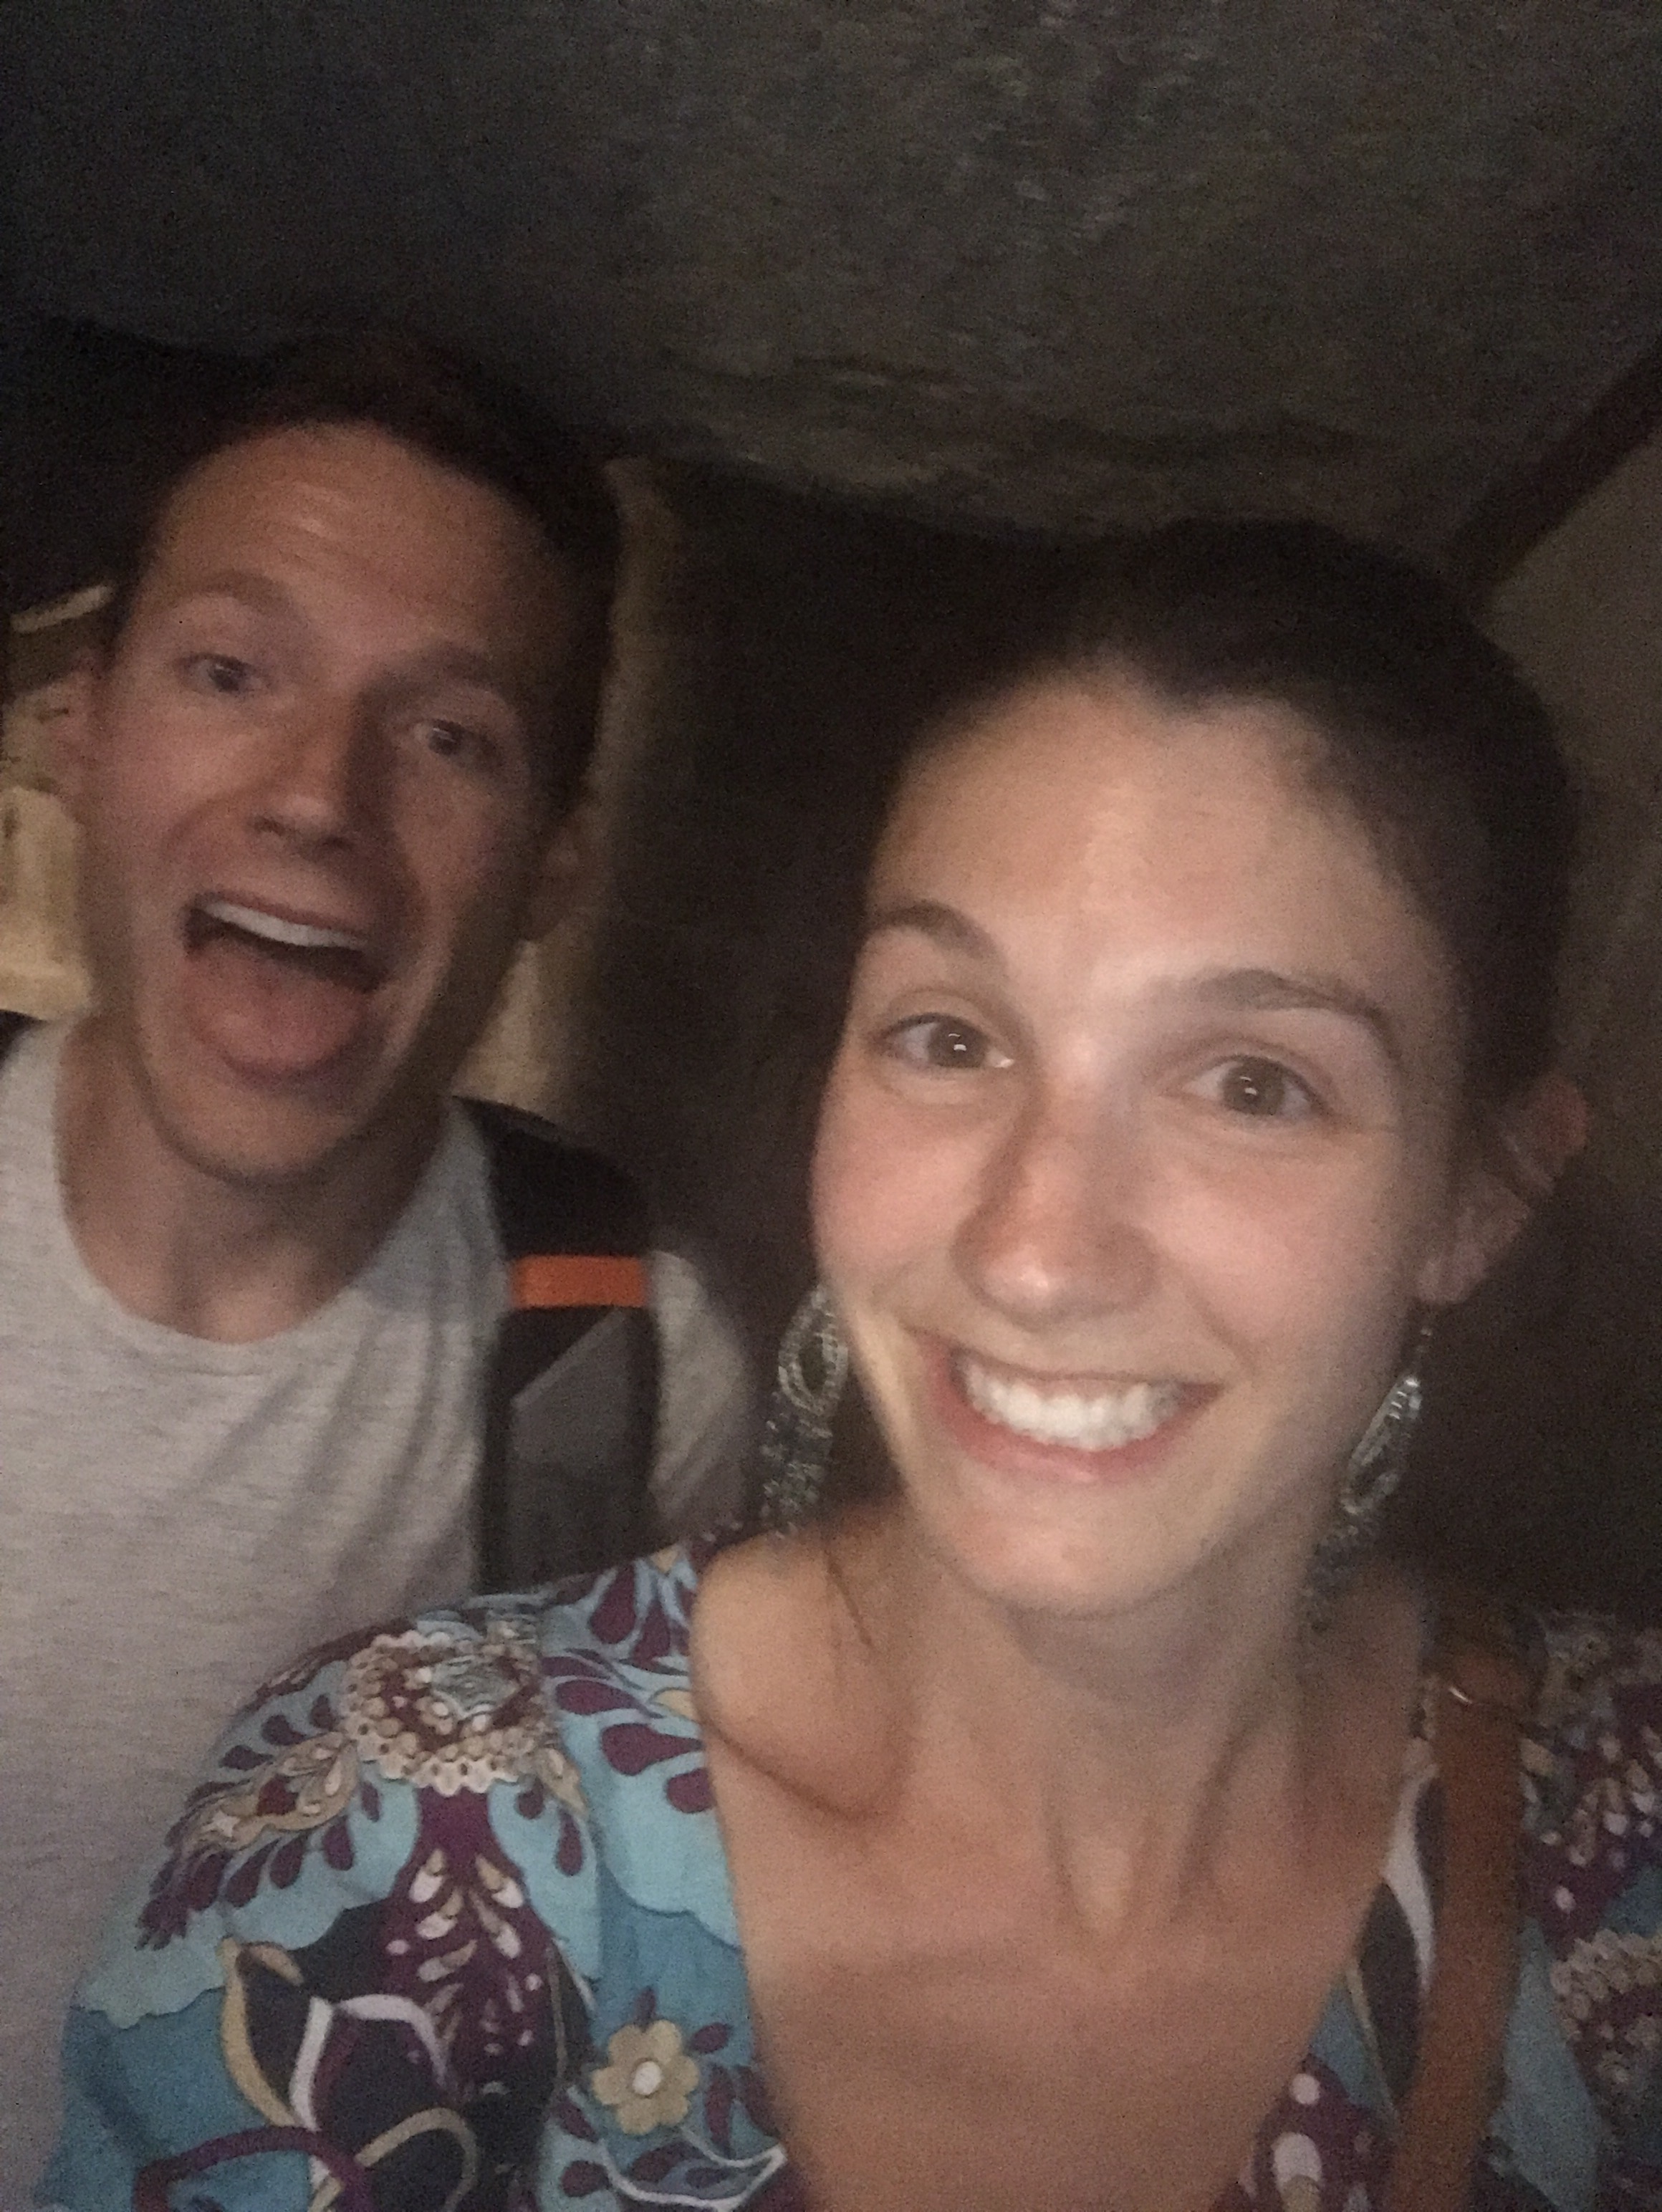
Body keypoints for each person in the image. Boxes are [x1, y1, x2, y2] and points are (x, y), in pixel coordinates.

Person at [47, 520, 1654, 2212]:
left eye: (1251, 1083)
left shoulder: (1612, 1832)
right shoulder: (395, 1842)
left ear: (1476, 1196)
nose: (1033, 1250)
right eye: (946, 1036)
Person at [0, 332, 747, 2199]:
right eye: (230, 671)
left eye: (447, 736)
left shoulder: (624, 1377)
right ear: (78, 728)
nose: (317, 793)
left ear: (555, 860)